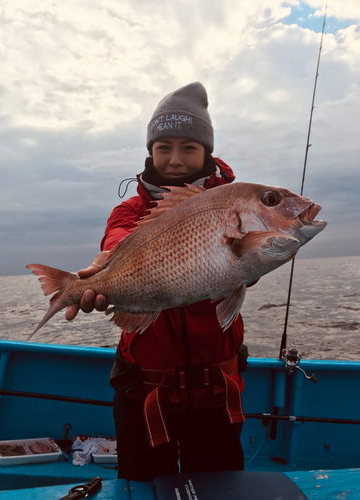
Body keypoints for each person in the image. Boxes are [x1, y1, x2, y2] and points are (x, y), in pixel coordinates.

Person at [66, 82, 248, 481]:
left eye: (189, 147)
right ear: (150, 151)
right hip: (143, 392)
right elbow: (118, 240)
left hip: (216, 389)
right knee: (141, 489)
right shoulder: (129, 210)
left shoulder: (232, 204)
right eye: (163, 147)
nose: (176, 159)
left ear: (206, 152)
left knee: (221, 487)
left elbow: (249, 258)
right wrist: (107, 266)